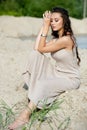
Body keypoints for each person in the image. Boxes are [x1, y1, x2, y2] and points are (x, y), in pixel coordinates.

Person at [8, 7, 81, 130]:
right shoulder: (56, 39)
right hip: (57, 73)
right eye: (51, 20)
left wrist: (46, 27)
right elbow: (37, 48)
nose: (52, 23)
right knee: (34, 55)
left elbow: (42, 48)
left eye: (56, 20)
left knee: (43, 83)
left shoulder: (67, 39)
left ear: (65, 21)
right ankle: (37, 93)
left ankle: (24, 116)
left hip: (70, 78)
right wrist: (44, 25)